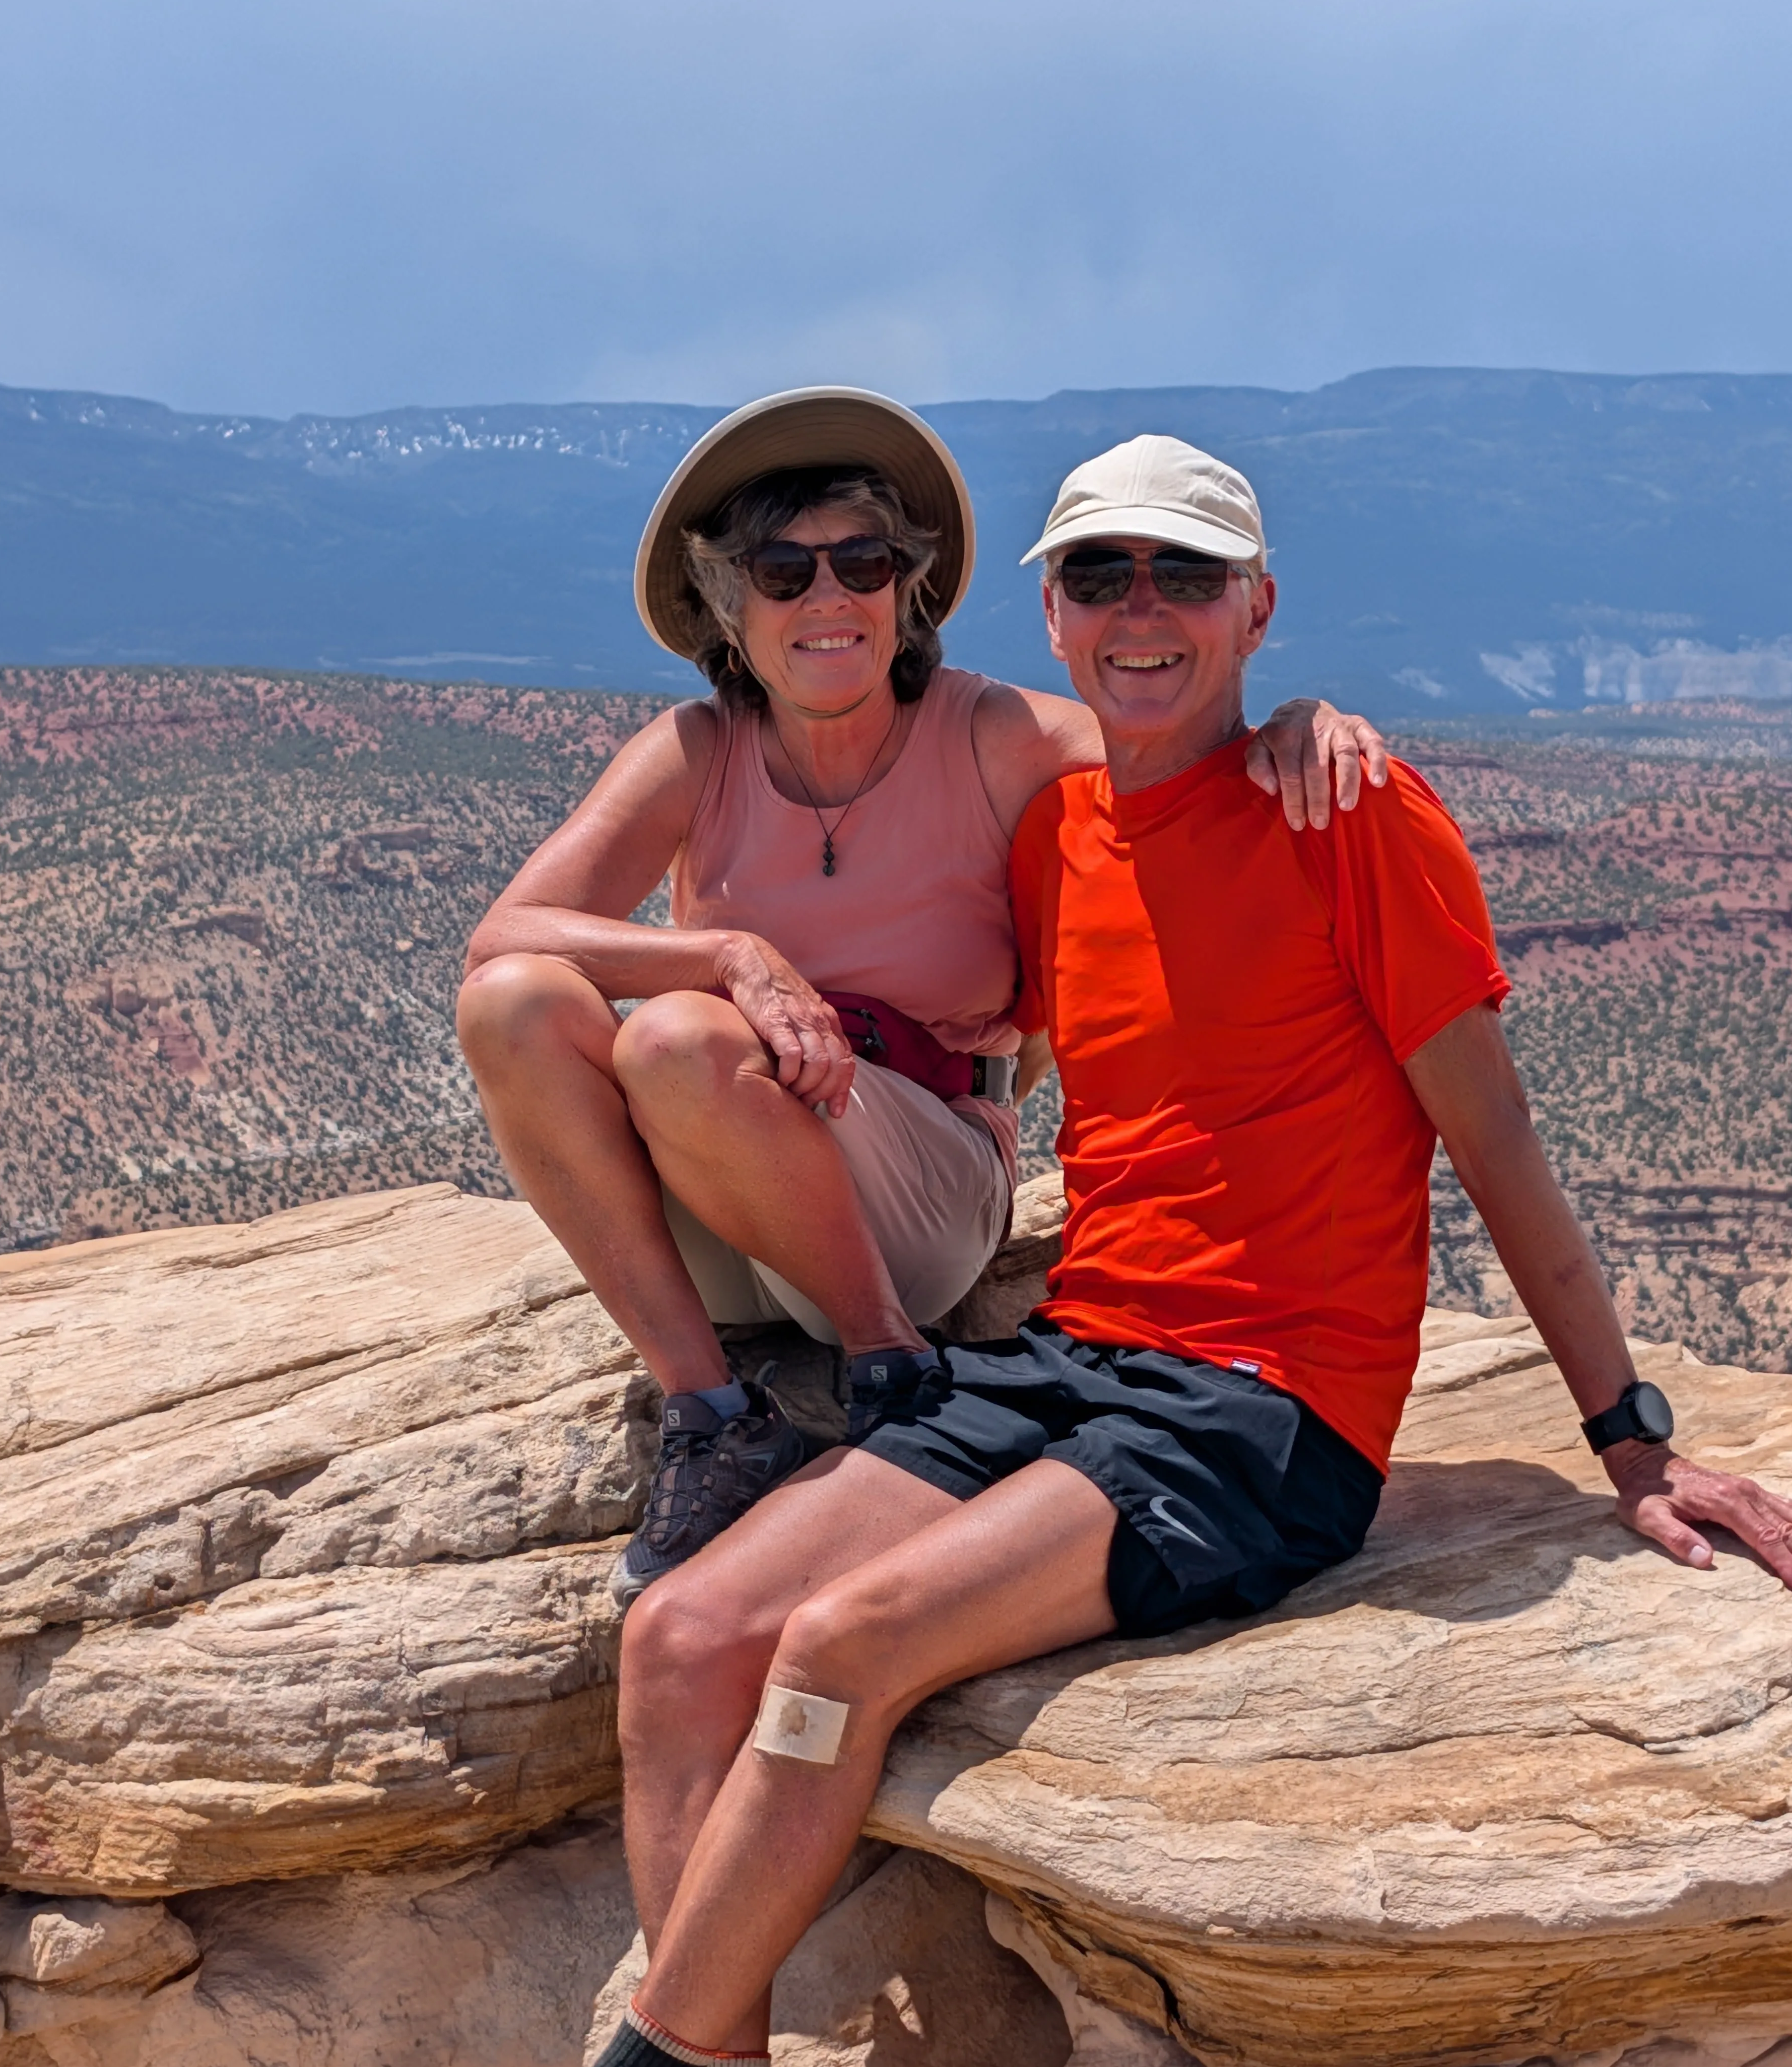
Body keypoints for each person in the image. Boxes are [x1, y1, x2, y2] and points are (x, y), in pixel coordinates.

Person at [297, 430, 1792, 2067]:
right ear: (1047, 610)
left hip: (1258, 1412)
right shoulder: (1061, 830)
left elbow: (1498, 1141)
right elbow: (920, 967)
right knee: (690, 1633)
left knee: (845, 1644)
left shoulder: (1358, 818)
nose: (1141, 615)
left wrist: (1630, 1438)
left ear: (1255, 608)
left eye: (1183, 581)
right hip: (1072, 1360)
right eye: (1102, 578)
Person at [451, 386, 1390, 1589]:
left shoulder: (989, 734)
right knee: (519, 1004)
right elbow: (503, 940)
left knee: (680, 1043)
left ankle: (890, 1367)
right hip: (728, 1195)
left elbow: (1187, 741)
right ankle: (711, 1411)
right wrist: (730, 955)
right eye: (783, 569)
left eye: (864, 561)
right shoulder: (696, 751)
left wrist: (1299, 721)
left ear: (910, 591)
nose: (828, 596)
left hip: (922, 1200)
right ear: (730, 609)